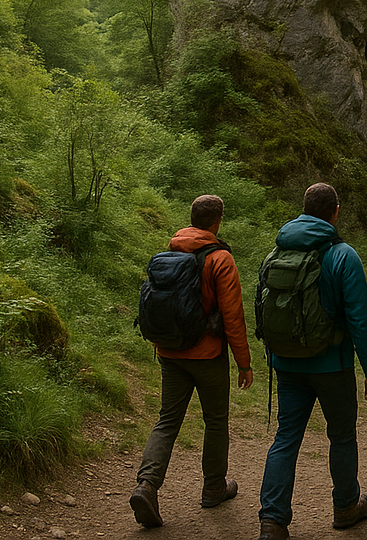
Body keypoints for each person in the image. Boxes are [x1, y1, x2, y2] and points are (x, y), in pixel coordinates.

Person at [257, 183, 367, 538]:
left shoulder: (276, 252)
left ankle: (272, 520)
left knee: (286, 438)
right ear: (335, 212)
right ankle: (346, 506)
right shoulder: (343, 255)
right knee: (341, 436)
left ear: (304, 208)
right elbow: (359, 317)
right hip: (332, 365)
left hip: (287, 362)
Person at [130, 194, 254, 528]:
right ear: (217, 222)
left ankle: (146, 485)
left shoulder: (171, 251)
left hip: (170, 352)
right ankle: (213, 488)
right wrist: (243, 363)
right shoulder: (220, 258)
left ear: (192, 218)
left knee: (167, 420)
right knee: (215, 420)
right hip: (208, 355)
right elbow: (233, 316)